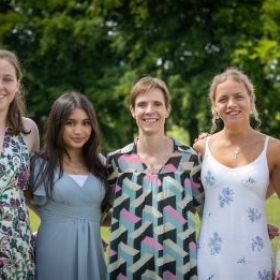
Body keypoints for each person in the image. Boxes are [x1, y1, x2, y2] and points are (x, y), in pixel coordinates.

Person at [106, 76, 204, 279]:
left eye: (157, 104)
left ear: (168, 109)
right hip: (129, 269)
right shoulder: (116, 162)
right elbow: (96, 212)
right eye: (142, 104)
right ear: (132, 111)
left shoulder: (189, 159)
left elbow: (209, 213)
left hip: (178, 268)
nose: (150, 110)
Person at [193, 67, 280, 279]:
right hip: (211, 256)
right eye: (223, 99)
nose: (231, 104)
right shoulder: (201, 148)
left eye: (238, 96)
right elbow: (193, 201)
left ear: (251, 99)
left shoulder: (274, 148)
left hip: (255, 255)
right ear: (214, 107)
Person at [27, 91, 111, 280]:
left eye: (85, 123)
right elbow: (22, 197)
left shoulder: (101, 164)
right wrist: (54, 217)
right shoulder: (40, 163)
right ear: (58, 125)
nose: (79, 131)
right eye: (70, 123)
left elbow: (106, 212)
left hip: (93, 251)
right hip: (53, 249)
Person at [0, 49, 40, 279]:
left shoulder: (28, 130)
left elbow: (33, 194)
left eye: (7, 79)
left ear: (17, 83)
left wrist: (74, 229)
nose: (1, 86)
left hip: (17, 247)